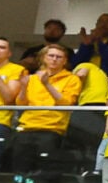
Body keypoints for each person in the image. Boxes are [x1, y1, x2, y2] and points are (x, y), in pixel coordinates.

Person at [8, 45, 80, 174]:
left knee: (44, 172)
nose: (54, 59)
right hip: (26, 128)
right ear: (43, 58)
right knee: (19, 171)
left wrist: (47, 84)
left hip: (52, 130)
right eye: (51, 56)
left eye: (59, 57)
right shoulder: (32, 78)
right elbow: (21, 104)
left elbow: (66, 104)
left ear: (65, 61)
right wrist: (24, 87)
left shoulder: (72, 79)